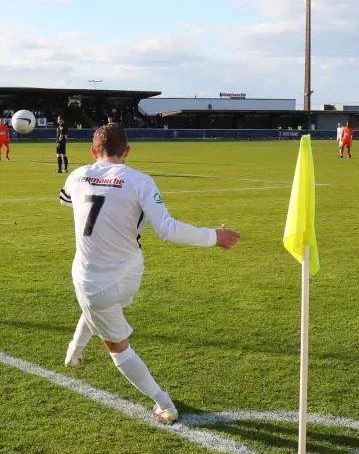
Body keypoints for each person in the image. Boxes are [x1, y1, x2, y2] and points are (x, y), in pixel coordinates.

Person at [59, 124, 240, 425]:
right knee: (102, 306)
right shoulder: (140, 181)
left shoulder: (76, 175)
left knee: (114, 341)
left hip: (93, 282)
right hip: (131, 273)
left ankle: (164, 403)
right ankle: (75, 351)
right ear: (127, 151)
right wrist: (214, 235)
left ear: (94, 151)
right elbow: (167, 230)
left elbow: (66, 201)